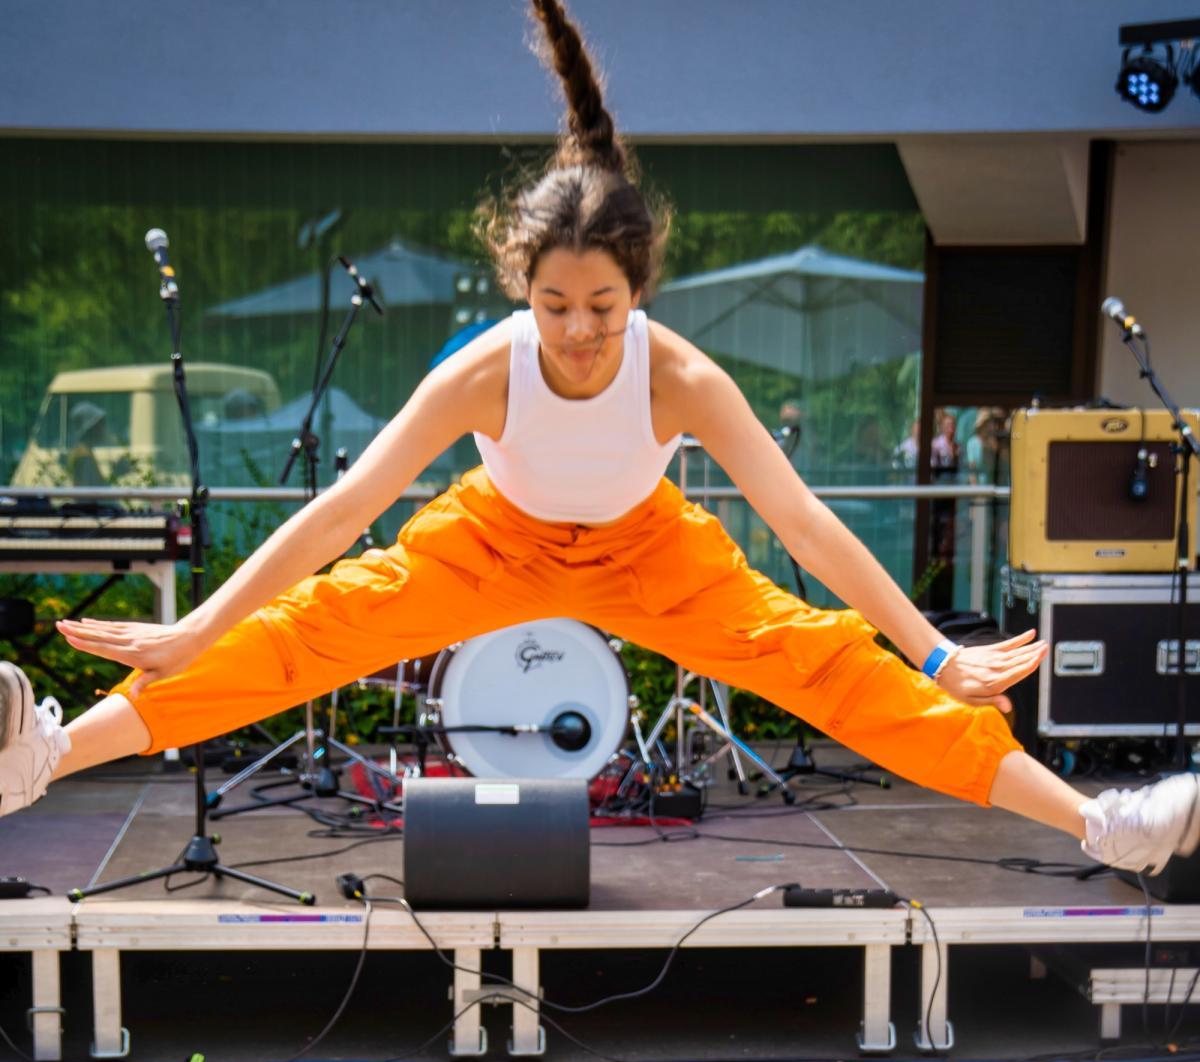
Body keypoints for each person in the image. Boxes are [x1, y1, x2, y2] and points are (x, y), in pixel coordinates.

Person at [0, 0, 1196, 869]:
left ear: (641, 290)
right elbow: (344, 510)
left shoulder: (682, 377)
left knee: (823, 664)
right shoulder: (485, 372)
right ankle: (46, 756)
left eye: (604, 309)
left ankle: (1105, 826)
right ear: (526, 289)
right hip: (493, 541)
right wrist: (201, 622)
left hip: (646, 550)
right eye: (554, 307)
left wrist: (934, 653)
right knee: (306, 637)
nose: (578, 334)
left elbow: (803, 524)